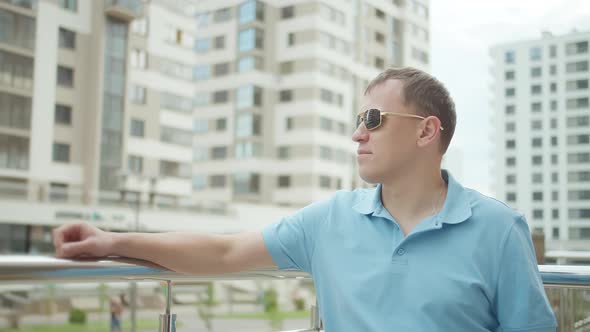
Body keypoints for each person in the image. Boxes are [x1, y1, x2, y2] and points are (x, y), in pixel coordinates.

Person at [53, 67, 557, 331]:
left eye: (374, 120)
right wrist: (111, 240)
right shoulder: (331, 220)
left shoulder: (497, 228)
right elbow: (224, 252)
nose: (358, 134)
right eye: (358, 121)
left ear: (427, 132)